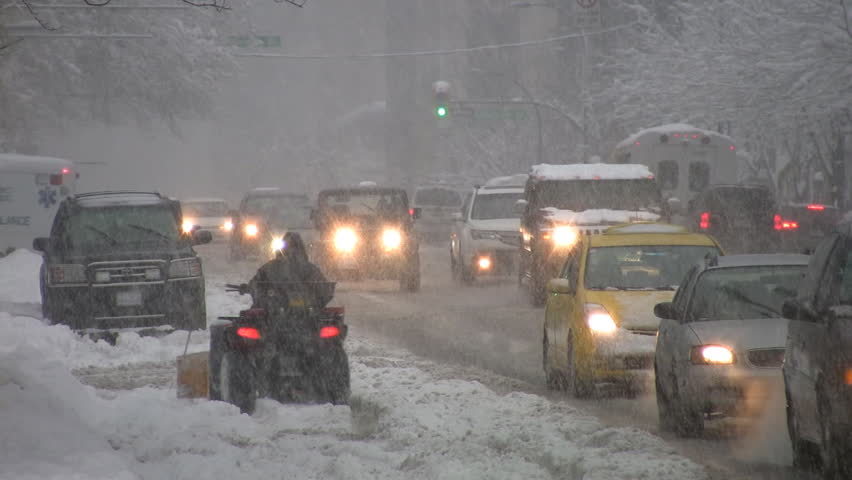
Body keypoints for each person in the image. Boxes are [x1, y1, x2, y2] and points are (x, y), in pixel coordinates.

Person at [248, 231, 333, 308]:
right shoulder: (310, 269)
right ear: (301, 249)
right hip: (309, 319)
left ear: (281, 249)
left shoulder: (269, 268)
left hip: (271, 318)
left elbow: (255, 285)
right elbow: (325, 291)